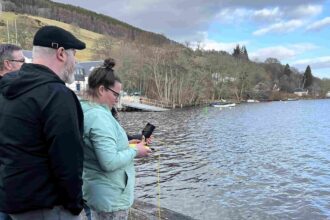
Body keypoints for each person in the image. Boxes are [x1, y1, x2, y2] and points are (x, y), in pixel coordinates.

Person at [0, 26, 86, 220]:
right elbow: (68, 160)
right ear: (61, 53)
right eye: (74, 54)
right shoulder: (57, 95)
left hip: (13, 201)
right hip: (48, 207)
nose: (76, 61)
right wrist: (75, 205)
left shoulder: (7, 88)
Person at [80, 58, 151, 220]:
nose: (117, 99)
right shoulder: (99, 117)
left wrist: (127, 144)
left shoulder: (87, 110)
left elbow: (100, 148)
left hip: (100, 192)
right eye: (115, 94)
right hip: (110, 198)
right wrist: (135, 151)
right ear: (102, 90)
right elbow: (109, 162)